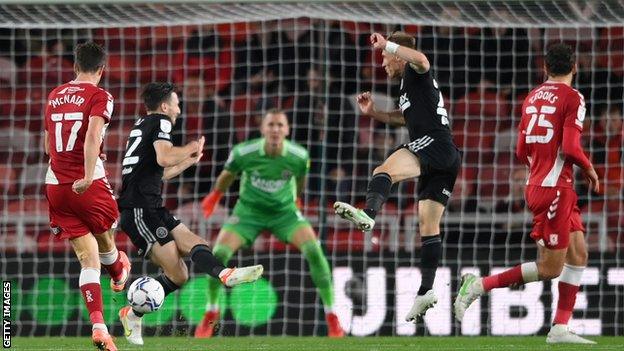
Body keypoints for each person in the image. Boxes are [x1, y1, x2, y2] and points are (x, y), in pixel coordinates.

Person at [454, 43, 599, 344]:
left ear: (544, 68)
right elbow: (571, 148)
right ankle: (478, 285)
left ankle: (560, 327)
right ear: (575, 68)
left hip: (545, 184)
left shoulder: (531, 96)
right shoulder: (573, 97)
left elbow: (521, 150)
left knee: (579, 252)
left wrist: (541, 167)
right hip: (555, 189)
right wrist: (589, 168)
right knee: (551, 267)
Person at [116, 82, 263, 345]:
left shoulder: (142, 124)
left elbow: (159, 172)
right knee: (177, 273)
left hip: (150, 206)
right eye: (176, 103)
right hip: (138, 210)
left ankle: (224, 274)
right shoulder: (160, 122)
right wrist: (191, 147)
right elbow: (164, 157)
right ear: (164, 106)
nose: (179, 110)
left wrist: (187, 161)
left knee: (195, 248)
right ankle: (132, 312)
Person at [333, 31, 461, 323]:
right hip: (447, 156)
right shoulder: (407, 88)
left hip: (434, 145)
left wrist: (388, 44)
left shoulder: (416, 72)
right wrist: (375, 113)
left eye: (384, 56)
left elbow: (422, 59)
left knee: (383, 171)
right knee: (428, 226)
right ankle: (426, 291)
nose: (382, 62)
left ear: (398, 52)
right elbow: (404, 117)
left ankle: (368, 214)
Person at [197, 109, 344, 338]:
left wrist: (296, 200)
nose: (275, 129)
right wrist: (214, 196)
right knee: (219, 253)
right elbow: (228, 174)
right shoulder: (244, 152)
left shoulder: (299, 156)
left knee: (315, 250)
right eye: (271, 125)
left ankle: (332, 315)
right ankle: (211, 311)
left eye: (280, 125)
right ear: (263, 129)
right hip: (248, 213)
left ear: (287, 130)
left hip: (284, 214)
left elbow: (301, 179)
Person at [44, 41, 130, 351]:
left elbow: (46, 147)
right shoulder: (100, 95)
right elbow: (94, 135)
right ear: (102, 70)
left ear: (75, 66)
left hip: (55, 185)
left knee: (87, 259)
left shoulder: (54, 96)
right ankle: (119, 271)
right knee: (108, 237)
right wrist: (85, 173)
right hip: (87, 182)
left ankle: (99, 327)